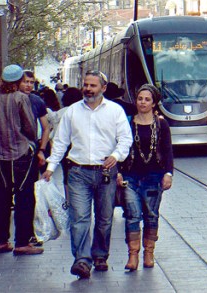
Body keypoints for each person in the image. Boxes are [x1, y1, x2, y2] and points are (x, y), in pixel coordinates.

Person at [42, 70, 133, 279]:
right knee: (79, 218)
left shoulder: (115, 111)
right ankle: (82, 260)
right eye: (86, 85)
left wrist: (116, 155)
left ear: (103, 88)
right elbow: (61, 142)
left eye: (93, 85)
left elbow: (125, 139)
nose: (88, 89)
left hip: (106, 172)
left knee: (104, 218)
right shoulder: (73, 112)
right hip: (78, 171)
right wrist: (50, 167)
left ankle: (100, 255)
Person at [0, 64, 43, 256]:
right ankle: (22, 242)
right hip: (20, 154)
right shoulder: (20, 98)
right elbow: (29, 127)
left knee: (1, 198)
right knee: (24, 198)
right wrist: (33, 141)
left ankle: (0, 241)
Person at [116, 84, 173, 271]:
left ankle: (149, 253)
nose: (143, 102)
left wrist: (168, 173)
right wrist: (118, 171)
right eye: (140, 98)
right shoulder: (128, 122)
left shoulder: (162, 124)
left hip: (154, 177)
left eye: (147, 99)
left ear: (154, 103)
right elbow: (119, 147)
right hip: (130, 176)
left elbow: (168, 151)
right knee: (132, 215)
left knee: (151, 215)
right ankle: (133, 256)